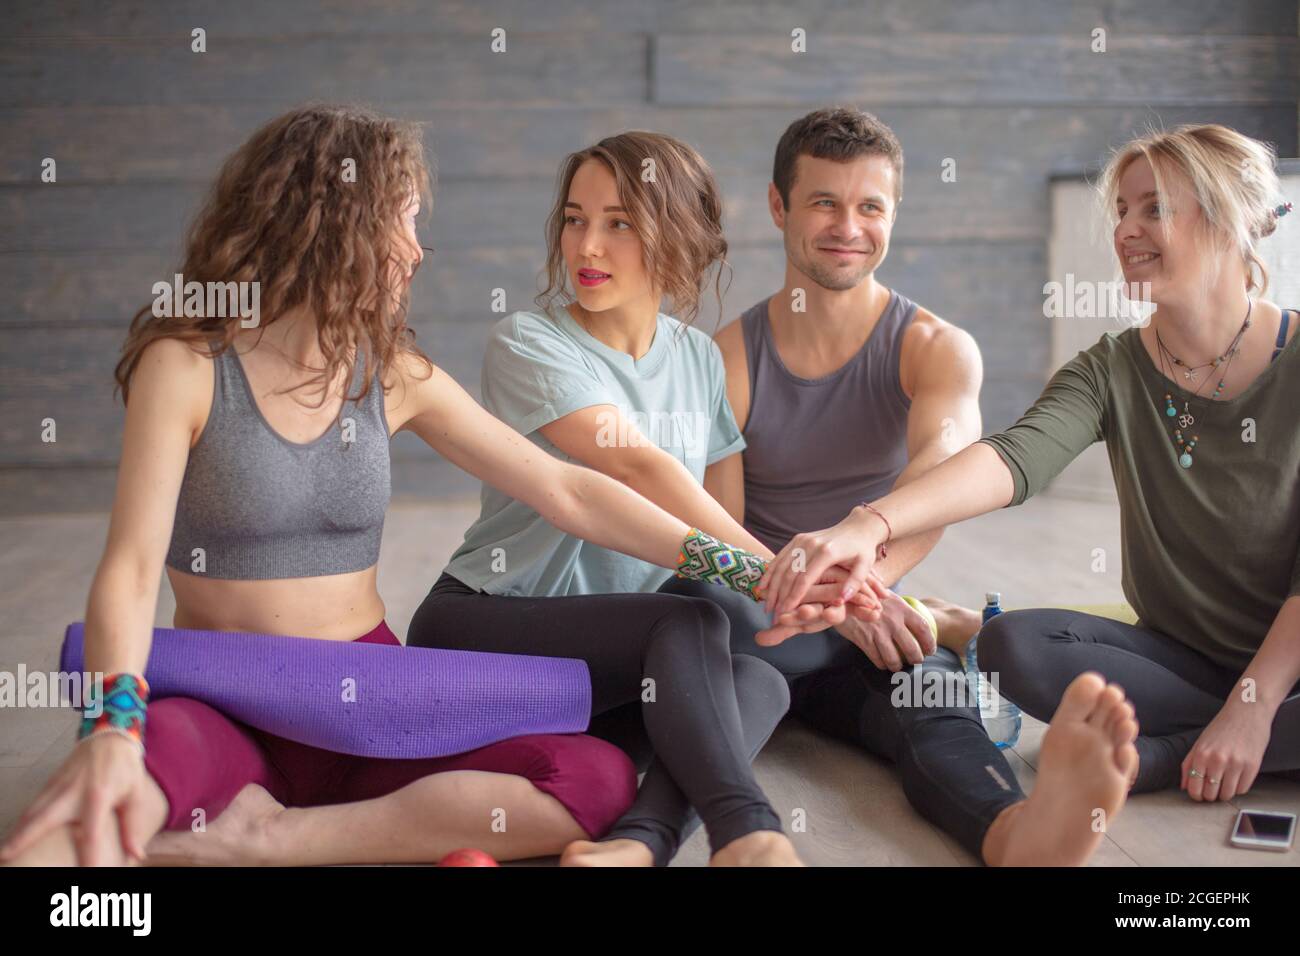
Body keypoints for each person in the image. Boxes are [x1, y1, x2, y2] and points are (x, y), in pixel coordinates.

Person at [0, 105, 826, 869]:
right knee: (90, 814)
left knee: (594, 781)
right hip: (225, 692)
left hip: (367, 693)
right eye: (404, 220)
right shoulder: (184, 368)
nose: (417, 249)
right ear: (339, 224)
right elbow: (131, 569)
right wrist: (112, 723)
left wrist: (751, 570)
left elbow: (568, 492)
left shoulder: (395, 375)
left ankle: (274, 839)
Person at [762, 123, 1300, 823]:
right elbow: (1014, 457)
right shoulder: (1110, 368)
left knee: (1252, 709)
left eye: (1155, 209)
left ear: (1229, 219)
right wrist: (870, 524)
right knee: (1012, 645)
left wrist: (1252, 711)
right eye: (1122, 210)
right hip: (1182, 659)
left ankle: (1170, 753)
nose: (1128, 230)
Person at [659, 106, 1139, 865]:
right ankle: (665, 835)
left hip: (867, 606)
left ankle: (1016, 835)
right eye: (823, 201)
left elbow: (940, 474)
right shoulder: (728, 356)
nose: (848, 225)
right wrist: (838, 602)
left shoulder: (936, 347)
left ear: (893, 214)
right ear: (781, 206)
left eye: (870, 206)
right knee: (696, 651)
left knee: (933, 693)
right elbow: (721, 531)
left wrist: (862, 592)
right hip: (752, 614)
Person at [406, 131, 877, 867]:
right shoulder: (529, 341)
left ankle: (638, 844)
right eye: (574, 218)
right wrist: (778, 571)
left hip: (609, 663)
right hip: (487, 623)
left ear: (678, 234)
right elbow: (639, 467)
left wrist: (824, 589)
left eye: (619, 222)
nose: (587, 245)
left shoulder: (694, 357)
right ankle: (748, 831)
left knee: (756, 676)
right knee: (688, 619)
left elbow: (714, 516)